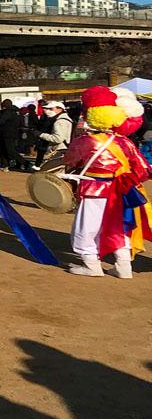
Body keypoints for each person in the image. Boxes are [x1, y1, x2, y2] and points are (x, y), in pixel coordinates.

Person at [62, 86, 150, 279]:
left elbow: (69, 161)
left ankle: (91, 265)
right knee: (118, 226)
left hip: (95, 189)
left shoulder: (85, 141)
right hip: (121, 191)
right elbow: (144, 169)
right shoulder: (125, 142)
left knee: (86, 227)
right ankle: (123, 266)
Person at [0, 99, 25, 171]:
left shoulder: (8, 112)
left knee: (10, 151)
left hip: (7, 134)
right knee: (4, 150)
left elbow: (0, 122)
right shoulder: (16, 112)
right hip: (12, 133)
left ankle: (24, 163)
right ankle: (4, 164)